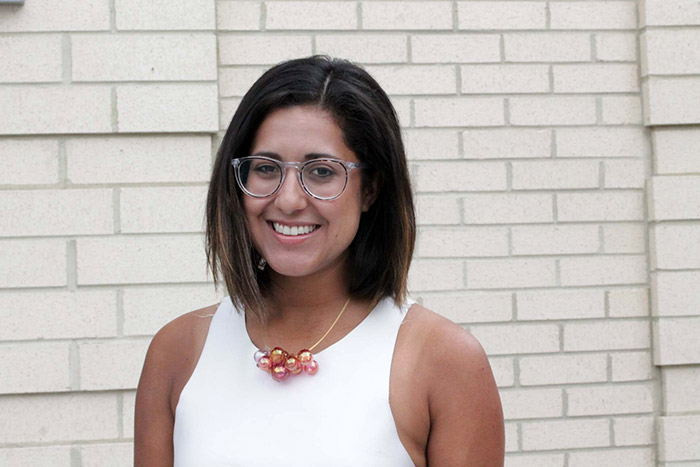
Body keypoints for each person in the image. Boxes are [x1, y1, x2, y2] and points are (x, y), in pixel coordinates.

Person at [134, 55, 504, 466]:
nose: (289, 199)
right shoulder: (177, 351)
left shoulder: (443, 360)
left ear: (370, 189)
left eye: (322, 172)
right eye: (265, 168)